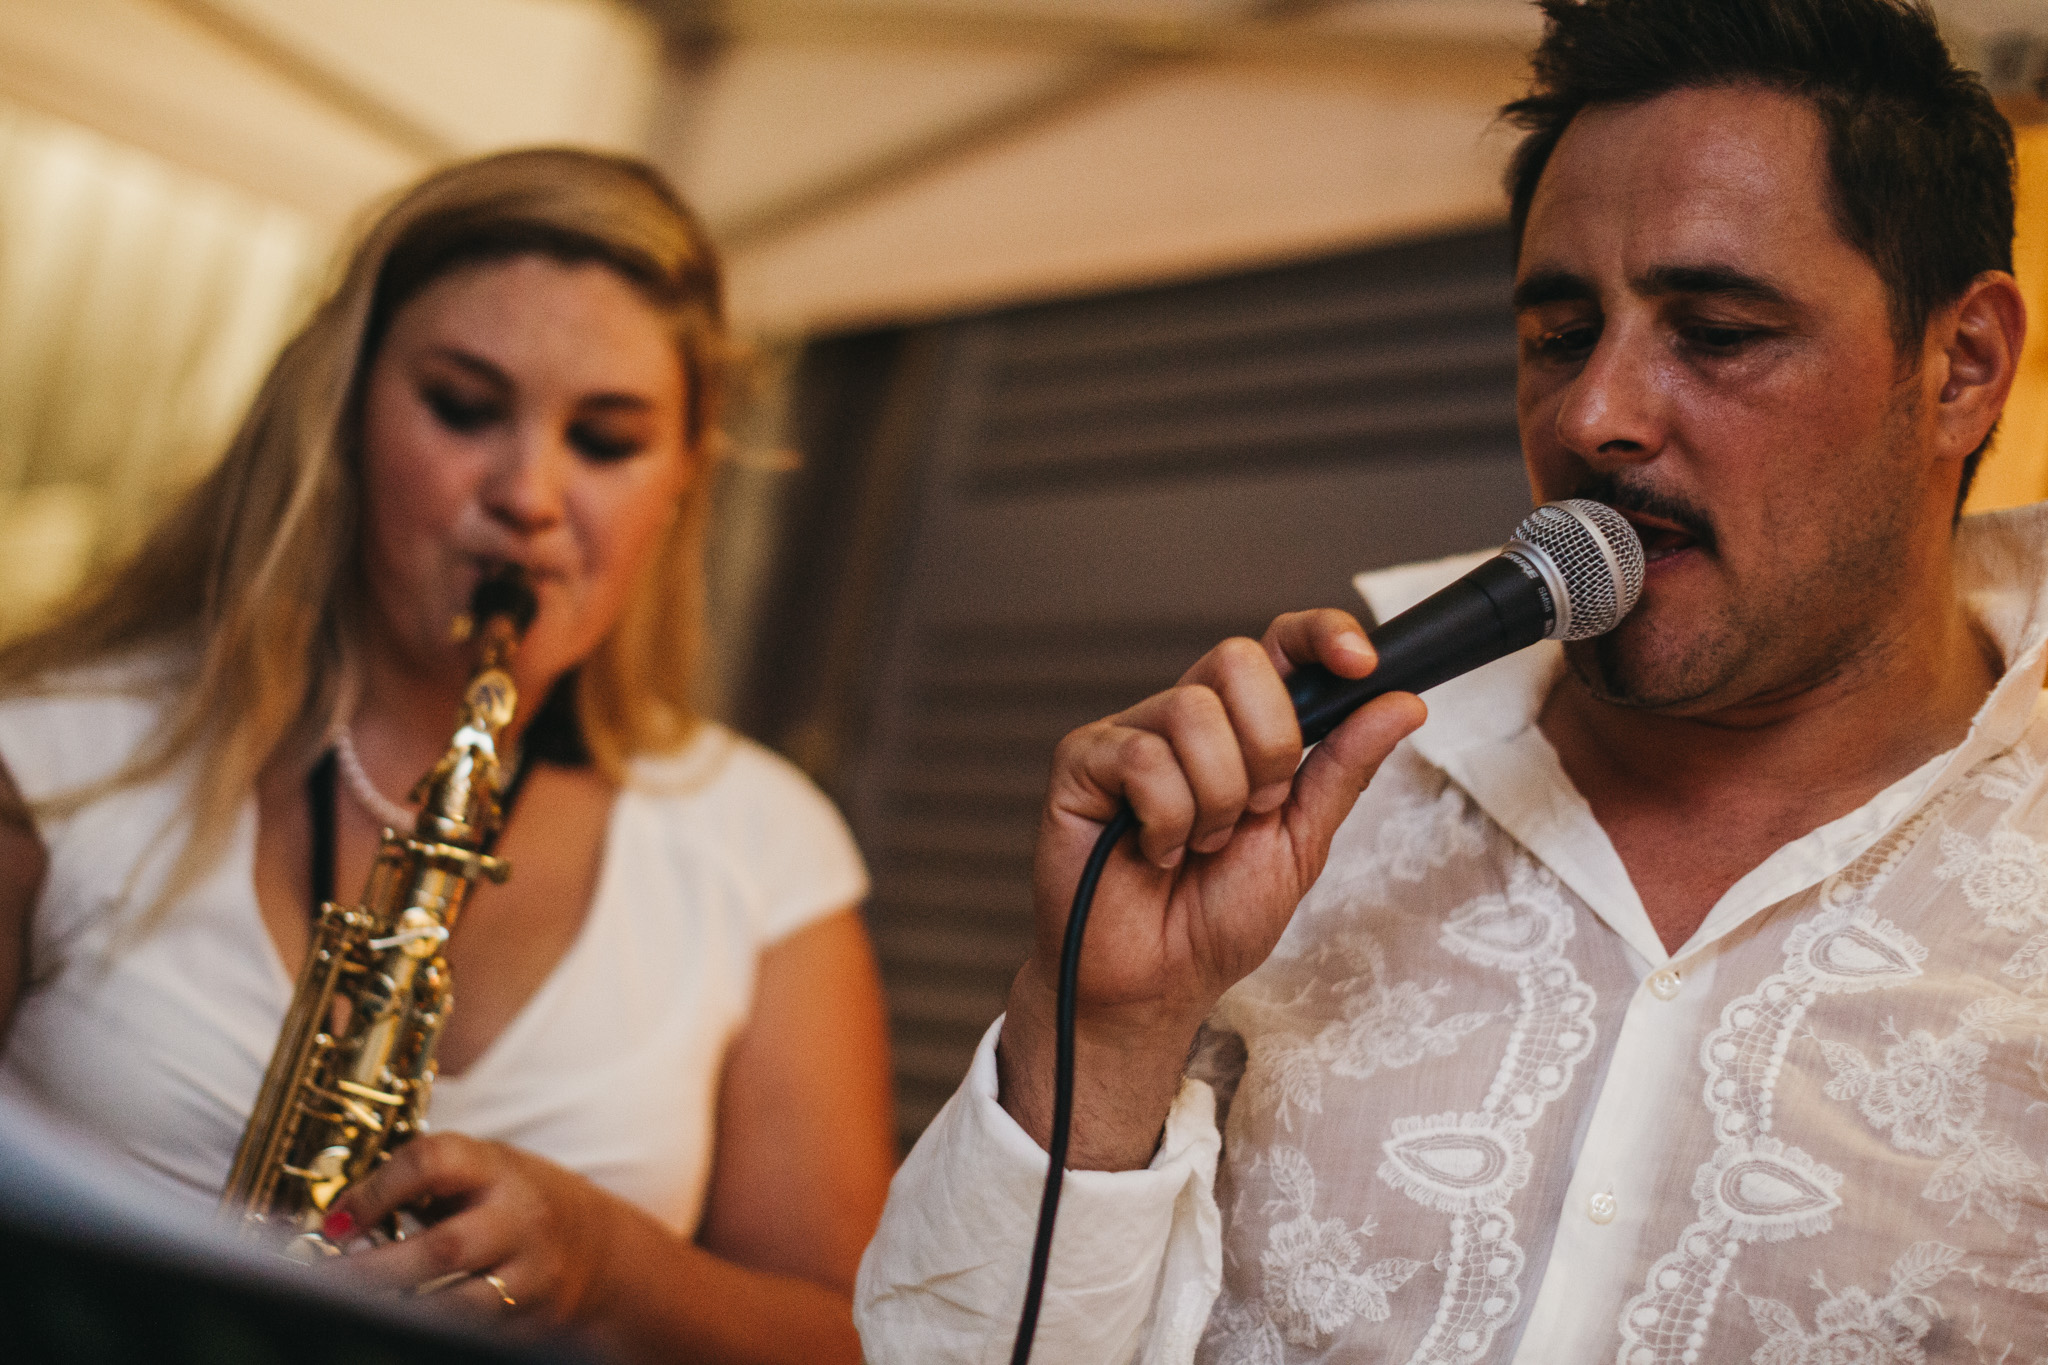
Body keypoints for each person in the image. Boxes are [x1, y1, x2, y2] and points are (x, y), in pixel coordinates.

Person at [855, 0, 2048, 1360]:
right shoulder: (1305, 805)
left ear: (1961, 368)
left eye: (1715, 331)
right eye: (1558, 335)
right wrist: (1112, 1037)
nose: (1596, 414)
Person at [0, 148, 895, 1363]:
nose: (526, 494)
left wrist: (607, 1262)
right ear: (344, 418)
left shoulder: (763, 840)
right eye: (465, 409)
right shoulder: (55, 753)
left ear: (682, 482)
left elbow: (853, 1340)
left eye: (608, 439)